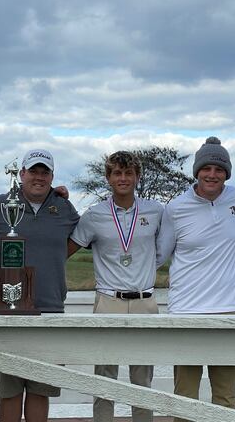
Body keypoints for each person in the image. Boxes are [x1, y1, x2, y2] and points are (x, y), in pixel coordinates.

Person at [0, 149, 80, 422]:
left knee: (40, 389)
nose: (38, 177)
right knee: (9, 391)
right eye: (32, 171)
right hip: (7, 312)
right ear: (21, 174)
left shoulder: (65, 208)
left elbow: (77, 241)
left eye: (44, 172)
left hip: (50, 309)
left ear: (52, 176)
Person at [156, 137, 235, 422]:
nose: (212, 174)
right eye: (206, 168)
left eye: (219, 169)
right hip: (187, 311)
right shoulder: (176, 208)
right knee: (185, 395)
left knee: (225, 398)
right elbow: (159, 255)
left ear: (227, 174)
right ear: (196, 171)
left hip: (231, 310)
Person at [67, 151, 163, 422]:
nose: (123, 178)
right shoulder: (94, 215)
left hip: (145, 300)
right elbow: (66, 251)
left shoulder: (155, 210)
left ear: (137, 177)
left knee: (142, 376)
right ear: (108, 178)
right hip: (109, 300)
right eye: (117, 173)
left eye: (129, 173)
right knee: (105, 375)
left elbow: (166, 248)